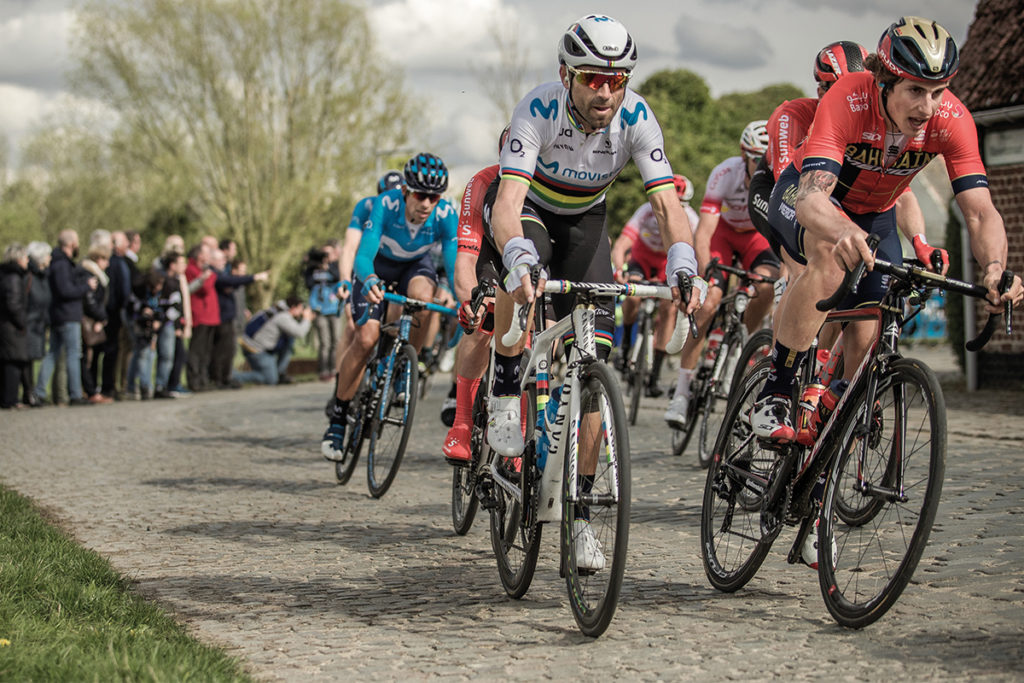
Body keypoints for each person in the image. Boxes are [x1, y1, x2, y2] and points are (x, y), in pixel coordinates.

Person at [753, 16, 1024, 566]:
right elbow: (811, 199)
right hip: (812, 199)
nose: (927, 106)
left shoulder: (951, 120)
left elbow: (979, 210)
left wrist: (996, 265)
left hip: (875, 214)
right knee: (826, 260)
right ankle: (777, 386)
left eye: (938, 91)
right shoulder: (850, 100)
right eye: (915, 91)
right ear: (884, 80)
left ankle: (824, 476)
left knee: (872, 325)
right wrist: (839, 228)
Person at [481, 15, 706, 569]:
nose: (605, 91)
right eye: (591, 78)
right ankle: (508, 387)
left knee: (594, 360)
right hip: (530, 210)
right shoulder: (537, 109)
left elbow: (667, 205)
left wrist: (683, 261)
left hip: (586, 222)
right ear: (566, 74)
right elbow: (506, 204)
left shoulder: (637, 116)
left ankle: (579, 518)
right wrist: (517, 258)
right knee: (523, 280)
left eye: (617, 79)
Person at [321, 153, 458, 461]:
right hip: (376, 267)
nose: (427, 204)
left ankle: (403, 369)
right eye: (421, 195)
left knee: (425, 297)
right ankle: (339, 419)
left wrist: (461, 296)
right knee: (366, 338)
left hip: (415, 268)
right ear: (407, 191)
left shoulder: (446, 213)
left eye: (434, 197)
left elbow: (452, 263)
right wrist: (367, 279)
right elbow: (362, 251)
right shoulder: (385, 204)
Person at [661, 120, 782, 428]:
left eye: (769, 159)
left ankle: (739, 341)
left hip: (756, 237)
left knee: (766, 286)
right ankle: (682, 391)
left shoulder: (780, 174)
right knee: (710, 302)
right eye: (758, 159)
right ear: (745, 156)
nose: (764, 165)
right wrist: (707, 271)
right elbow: (704, 233)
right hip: (723, 235)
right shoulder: (725, 174)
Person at [441, 127, 509, 464]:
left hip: (533, 260)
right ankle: (463, 423)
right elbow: (465, 259)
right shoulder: (483, 183)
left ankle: (523, 427)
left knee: (542, 336)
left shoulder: (556, 188)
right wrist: (471, 299)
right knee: (482, 320)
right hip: (489, 258)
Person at [611, 174, 699, 398]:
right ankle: (625, 348)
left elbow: (697, 252)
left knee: (670, 308)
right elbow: (622, 244)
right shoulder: (645, 211)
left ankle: (655, 375)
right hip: (642, 259)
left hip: (666, 264)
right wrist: (620, 269)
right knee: (632, 296)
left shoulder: (690, 217)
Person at [33, 230, 97, 406]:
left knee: (53, 353)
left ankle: (39, 391)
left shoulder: (61, 263)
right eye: (76, 241)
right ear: (70, 244)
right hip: (67, 315)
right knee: (72, 354)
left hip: (62, 314)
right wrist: (86, 287)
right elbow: (65, 290)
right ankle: (74, 394)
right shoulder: (61, 264)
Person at [211, 247, 268, 388]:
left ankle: (227, 376)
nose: (243, 274)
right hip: (226, 319)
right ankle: (220, 378)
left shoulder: (235, 283)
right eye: (241, 271)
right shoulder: (224, 279)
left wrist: (244, 310)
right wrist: (255, 277)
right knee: (224, 350)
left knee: (231, 350)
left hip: (236, 319)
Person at [233, 297, 315, 385]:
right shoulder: (283, 316)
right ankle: (233, 376)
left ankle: (279, 373)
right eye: (301, 308)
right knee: (270, 379)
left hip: (254, 347)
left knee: (289, 340)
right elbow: (299, 333)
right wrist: (307, 319)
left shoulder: (275, 309)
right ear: (293, 308)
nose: (302, 311)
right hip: (256, 351)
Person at [79, 241, 113, 404]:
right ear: (98, 258)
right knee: (86, 357)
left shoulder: (97, 275)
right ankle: (90, 390)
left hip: (94, 319)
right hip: (89, 321)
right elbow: (90, 300)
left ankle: (91, 388)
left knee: (91, 356)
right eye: (105, 259)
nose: (107, 263)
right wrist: (101, 316)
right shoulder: (89, 274)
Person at [304, 243, 342, 381]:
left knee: (336, 341)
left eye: (328, 254)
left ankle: (334, 369)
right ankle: (323, 371)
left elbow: (340, 278)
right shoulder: (312, 269)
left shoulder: (335, 266)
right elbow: (307, 283)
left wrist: (328, 268)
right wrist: (311, 265)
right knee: (324, 342)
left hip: (334, 308)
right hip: (319, 309)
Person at [185, 242, 219, 391]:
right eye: (207, 253)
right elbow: (204, 288)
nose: (210, 255)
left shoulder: (204, 270)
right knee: (196, 351)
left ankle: (203, 379)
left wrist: (208, 276)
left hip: (211, 315)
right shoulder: (191, 269)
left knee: (206, 351)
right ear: (199, 255)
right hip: (200, 315)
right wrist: (205, 278)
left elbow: (212, 280)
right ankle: (194, 380)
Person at [0, 243, 30, 409]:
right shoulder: (13, 277)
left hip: (6, 324)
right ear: (18, 258)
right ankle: (10, 399)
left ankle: (7, 398)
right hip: (11, 326)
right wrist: (22, 322)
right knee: (13, 362)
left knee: (8, 361)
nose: (27, 260)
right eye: (25, 257)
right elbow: (13, 304)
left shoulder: (6, 274)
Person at [22, 241, 52, 408]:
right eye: (48, 255)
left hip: (39, 322)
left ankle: (31, 392)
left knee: (33, 358)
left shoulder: (43, 276)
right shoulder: (29, 277)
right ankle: (28, 393)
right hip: (29, 322)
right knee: (26, 359)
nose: (50, 258)